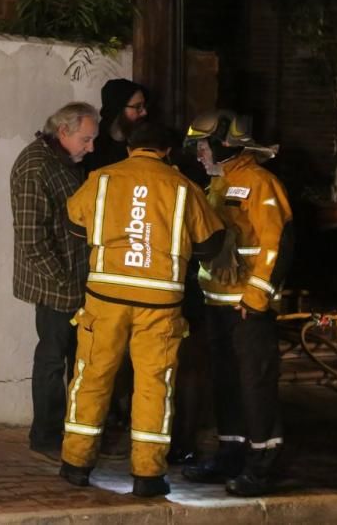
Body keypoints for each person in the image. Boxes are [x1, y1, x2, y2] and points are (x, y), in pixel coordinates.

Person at [58, 121, 227, 498]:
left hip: (105, 301)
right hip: (160, 305)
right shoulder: (183, 187)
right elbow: (211, 245)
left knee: (92, 378)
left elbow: (72, 224)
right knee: (154, 386)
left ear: (130, 148)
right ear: (166, 151)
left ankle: (75, 465)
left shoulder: (102, 179)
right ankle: (148, 475)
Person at [181, 109, 294, 497]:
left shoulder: (261, 183)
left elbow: (277, 244)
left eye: (202, 145)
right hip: (218, 305)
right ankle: (231, 453)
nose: (199, 153)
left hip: (248, 308)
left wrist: (257, 298)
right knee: (226, 383)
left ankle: (264, 463)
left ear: (223, 143)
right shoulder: (219, 184)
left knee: (254, 383)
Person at [10, 101, 100, 462]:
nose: (90, 147)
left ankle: (68, 432)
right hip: (56, 286)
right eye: (86, 139)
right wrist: (63, 282)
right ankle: (46, 435)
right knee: (52, 359)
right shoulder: (36, 167)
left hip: (73, 280)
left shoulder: (60, 161)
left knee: (73, 359)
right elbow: (32, 239)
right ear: (63, 132)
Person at [81, 77, 150, 459]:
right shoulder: (99, 153)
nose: (142, 114)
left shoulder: (144, 150)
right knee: (98, 359)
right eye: (135, 107)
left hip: (140, 269)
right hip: (103, 272)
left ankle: (120, 418)